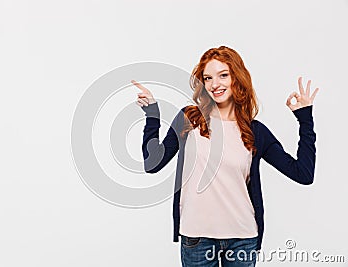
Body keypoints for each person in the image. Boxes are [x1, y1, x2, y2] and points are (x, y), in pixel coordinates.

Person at [132, 46, 319, 267]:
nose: (215, 84)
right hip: (196, 238)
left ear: (236, 77)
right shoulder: (189, 119)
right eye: (208, 78)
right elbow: (152, 164)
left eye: (223, 75)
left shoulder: (255, 131)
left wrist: (305, 119)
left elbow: (303, 174)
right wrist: (152, 115)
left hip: (242, 240)